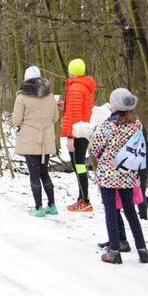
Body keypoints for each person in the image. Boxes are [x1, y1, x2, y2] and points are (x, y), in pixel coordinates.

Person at [90, 88, 148, 264]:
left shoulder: (108, 126)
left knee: (110, 211)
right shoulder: (137, 124)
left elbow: (95, 148)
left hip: (108, 175)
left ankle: (114, 251)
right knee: (130, 211)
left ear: (114, 105)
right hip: (128, 174)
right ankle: (142, 250)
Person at [12, 66, 59, 217]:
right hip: (45, 140)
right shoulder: (50, 96)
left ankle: (38, 208)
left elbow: (16, 120)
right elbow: (55, 118)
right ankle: (52, 205)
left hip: (29, 140)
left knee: (34, 174)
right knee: (44, 173)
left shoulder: (22, 97)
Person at [59, 58, 97, 212]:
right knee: (79, 165)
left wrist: (71, 137)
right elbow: (77, 110)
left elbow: (75, 115)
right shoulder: (84, 87)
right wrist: (65, 106)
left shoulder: (75, 88)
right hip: (83, 130)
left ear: (72, 71)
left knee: (79, 165)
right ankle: (82, 198)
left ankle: (85, 200)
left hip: (77, 133)